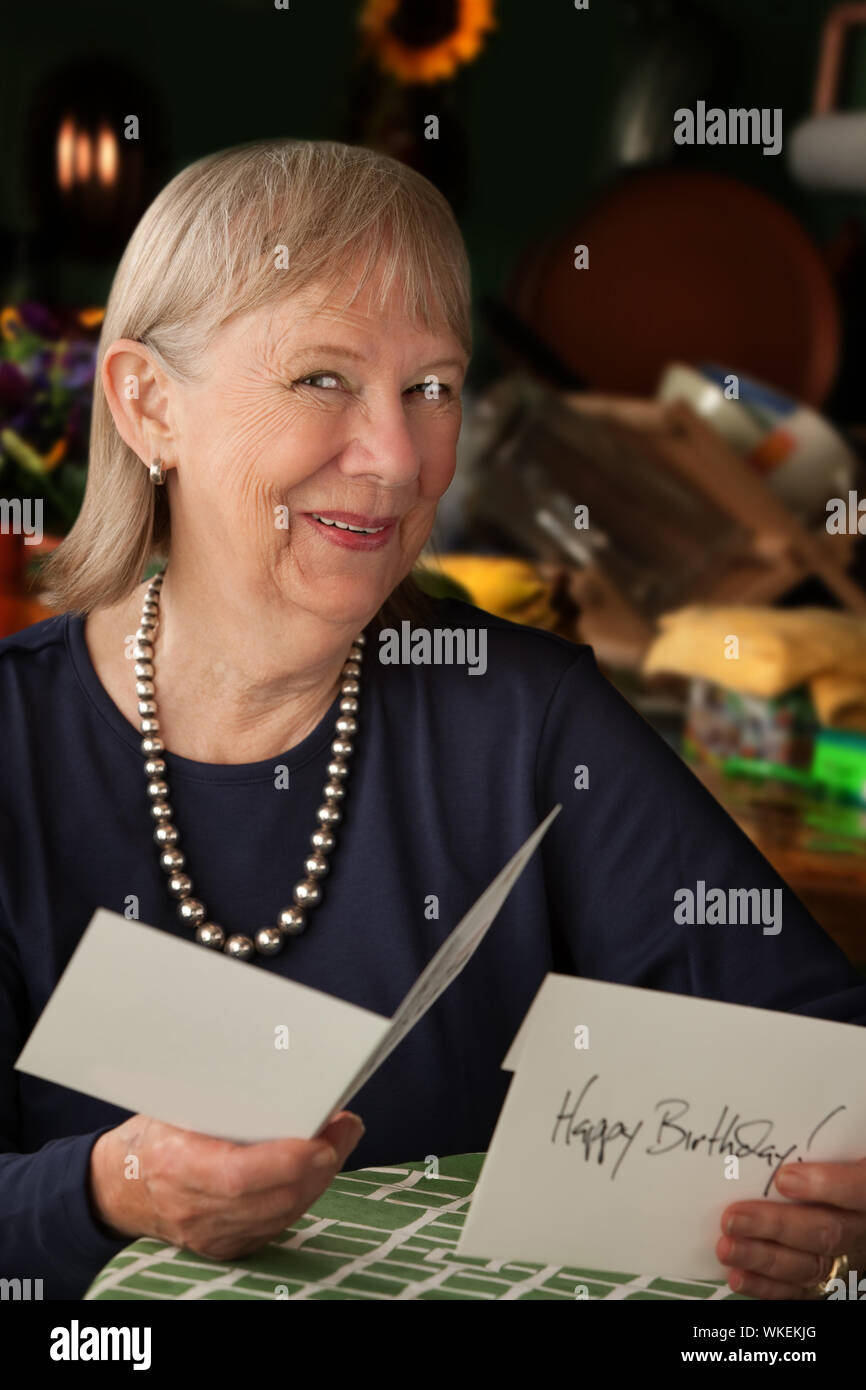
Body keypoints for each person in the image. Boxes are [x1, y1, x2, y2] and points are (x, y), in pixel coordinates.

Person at [1, 139, 864, 1301]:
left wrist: (837, 1202)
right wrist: (105, 1187)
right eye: (322, 379)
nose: (399, 458)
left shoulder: (525, 721)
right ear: (149, 402)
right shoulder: (15, 739)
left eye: (433, 386)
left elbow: (826, 1055)